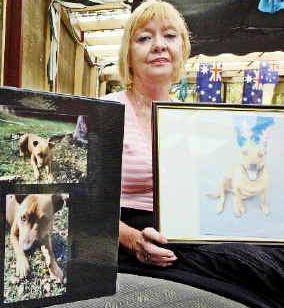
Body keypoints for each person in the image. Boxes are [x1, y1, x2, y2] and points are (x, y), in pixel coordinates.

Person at [103, 1, 284, 307]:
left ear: (182, 49)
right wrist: (132, 239)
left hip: (186, 230)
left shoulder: (194, 118)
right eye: (144, 38)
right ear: (128, 55)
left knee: (271, 262)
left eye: (169, 36)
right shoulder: (107, 111)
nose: (159, 45)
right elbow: (77, 202)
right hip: (124, 230)